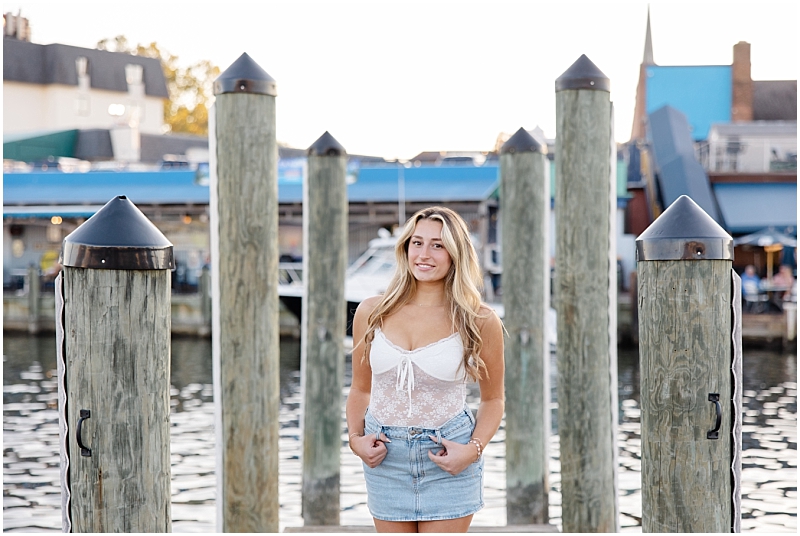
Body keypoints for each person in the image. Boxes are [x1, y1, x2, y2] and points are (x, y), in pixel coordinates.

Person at [346, 206, 505, 533]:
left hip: (448, 459)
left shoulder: (479, 319)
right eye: (416, 243)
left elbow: (494, 400)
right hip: (386, 459)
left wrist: (472, 451)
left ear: (455, 253)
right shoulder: (372, 311)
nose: (424, 254)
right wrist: (354, 439)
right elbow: (361, 389)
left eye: (438, 244)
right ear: (405, 248)